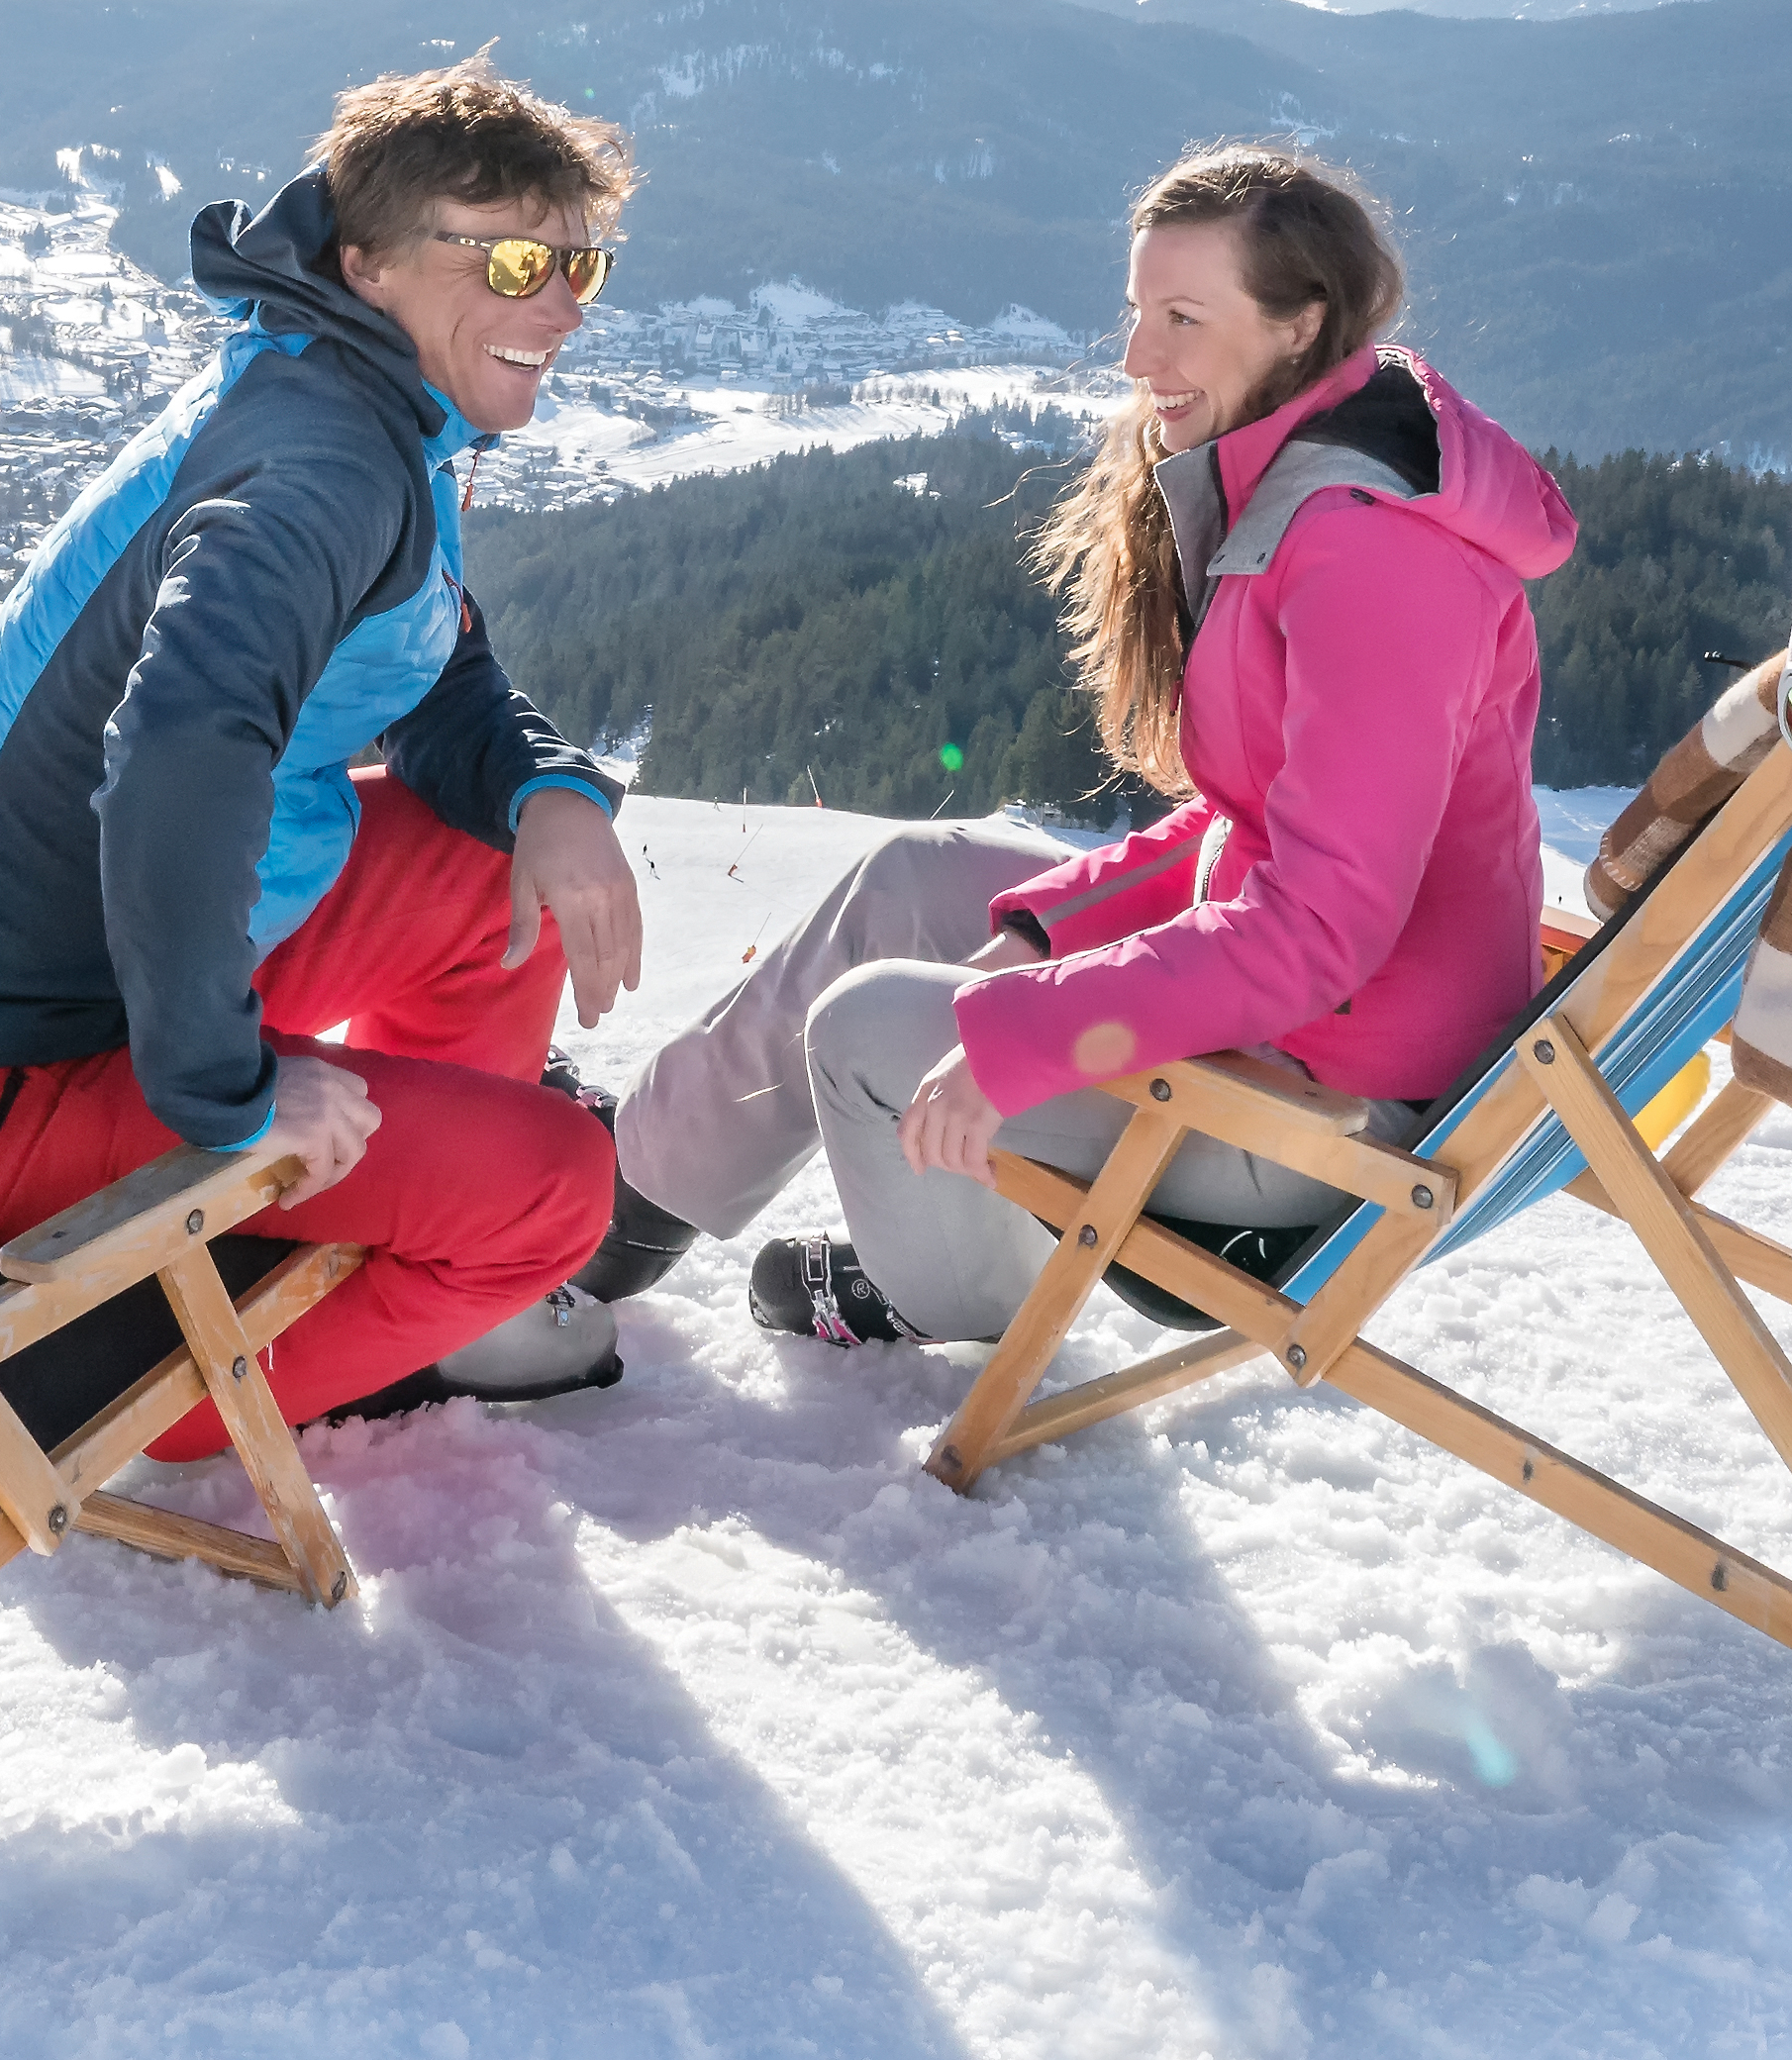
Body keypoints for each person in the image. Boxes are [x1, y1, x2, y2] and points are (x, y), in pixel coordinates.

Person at [0, 59, 653, 1449]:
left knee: (490, 870)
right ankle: (182, 1388)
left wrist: (546, 789)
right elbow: (175, 759)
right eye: (512, 257)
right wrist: (233, 1094)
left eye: (580, 264)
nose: (558, 302)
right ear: (369, 260)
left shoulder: (351, 392)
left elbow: (434, 665)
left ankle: (422, 1239)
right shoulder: (321, 470)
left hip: (96, 990)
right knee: (564, 1187)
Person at [607, 144, 1570, 1348]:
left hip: (1328, 1110)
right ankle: (629, 1202)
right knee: (912, 878)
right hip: (1283, 1018)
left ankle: (944, 1296)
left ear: (1295, 325)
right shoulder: (1304, 482)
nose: (1134, 357)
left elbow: (1322, 928)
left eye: (1180, 316)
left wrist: (1025, 1035)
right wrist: (1038, 932)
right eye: (1136, 310)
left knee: (869, 1028)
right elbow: (1251, 828)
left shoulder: (1374, 555)